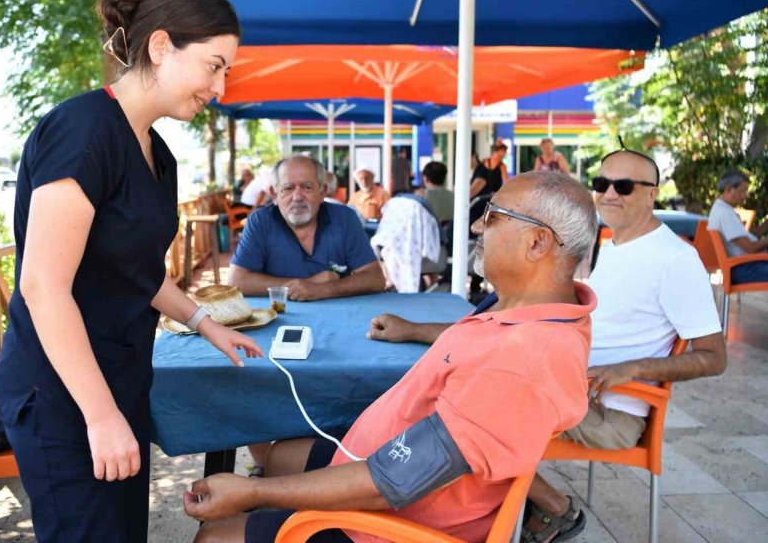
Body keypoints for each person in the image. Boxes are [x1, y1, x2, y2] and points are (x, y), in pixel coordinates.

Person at [184, 171, 600, 543]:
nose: (476, 224)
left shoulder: (519, 363)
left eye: (492, 216)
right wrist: (415, 330)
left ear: (537, 242)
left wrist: (252, 492)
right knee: (276, 458)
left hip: (395, 522)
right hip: (390, 465)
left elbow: (387, 484)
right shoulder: (531, 313)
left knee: (216, 536)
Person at [0, 0, 263, 543]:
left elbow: (134, 269)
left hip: (116, 380)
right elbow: (43, 286)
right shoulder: (83, 131)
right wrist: (99, 414)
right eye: (214, 66)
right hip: (62, 395)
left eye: (226, 72)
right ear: (161, 46)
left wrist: (205, 323)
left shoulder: (156, 151)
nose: (221, 86)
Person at [370, 152, 726, 543]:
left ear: (652, 194)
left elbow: (713, 357)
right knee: (461, 390)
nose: (608, 193)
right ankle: (500, 508)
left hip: (610, 408)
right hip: (567, 382)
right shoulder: (615, 243)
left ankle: (540, 510)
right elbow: (514, 327)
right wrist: (418, 330)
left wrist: (631, 369)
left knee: (474, 409)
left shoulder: (676, 258)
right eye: (601, 183)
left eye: (623, 186)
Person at [228, 155, 386, 301]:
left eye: (307, 187)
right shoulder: (261, 221)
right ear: (274, 195)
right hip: (279, 317)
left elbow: (375, 279)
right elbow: (236, 281)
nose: (297, 197)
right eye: (288, 188)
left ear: (322, 191)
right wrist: (309, 283)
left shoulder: (344, 219)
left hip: (339, 315)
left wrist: (324, 289)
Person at [707, 168, 768, 283]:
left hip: (746, 266)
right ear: (729, 189)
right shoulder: (725, 214)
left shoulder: (721, 209)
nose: (745, 196)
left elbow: (745, 239)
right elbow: (750, 248)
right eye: (742, 191)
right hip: (745, 269)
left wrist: (765, 225)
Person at [467, 141, 509, 303]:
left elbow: (506, 183)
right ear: (495, 152)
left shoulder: (502, 167)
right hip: (477, 207)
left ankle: (477, 283)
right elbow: (476, 185)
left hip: (490, 209)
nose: (502, 156)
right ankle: (474, 280)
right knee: (475, 241)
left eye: (504, 153)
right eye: (501, 152)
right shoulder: (483, 166)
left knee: (487, 243)